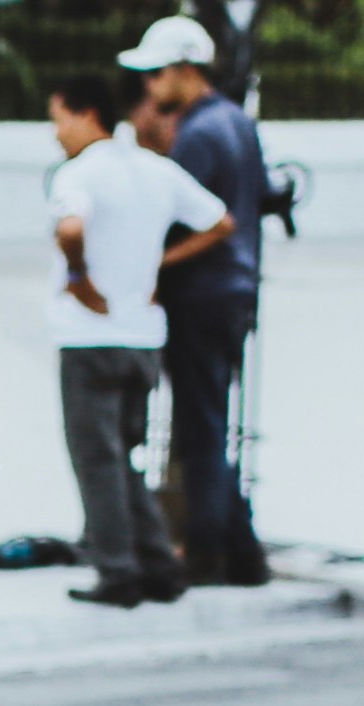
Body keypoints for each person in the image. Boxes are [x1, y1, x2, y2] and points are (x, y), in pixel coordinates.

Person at [44, 74, 230, 608]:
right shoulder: (157, 169)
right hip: (143, 339)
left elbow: (71, 229)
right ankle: (159, 567)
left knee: (96, 462)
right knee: (124, 458)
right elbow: (222, 222)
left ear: (85, 114)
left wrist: (79, 279)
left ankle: (118, 573)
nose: (56, 135)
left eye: (58, 120)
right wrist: (159, 266)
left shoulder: (78, 174)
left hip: (88, 339)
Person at [123, 13, 271, 587]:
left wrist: (154, 266)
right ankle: (243, 550)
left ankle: (209, 552)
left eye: (157, 75)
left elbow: (182, 219)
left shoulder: (202, 134)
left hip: (203, 296)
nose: (151, 88)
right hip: (234, 293)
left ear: (185, 70)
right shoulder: (235, 122)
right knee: (210, 421)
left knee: (200, 430)